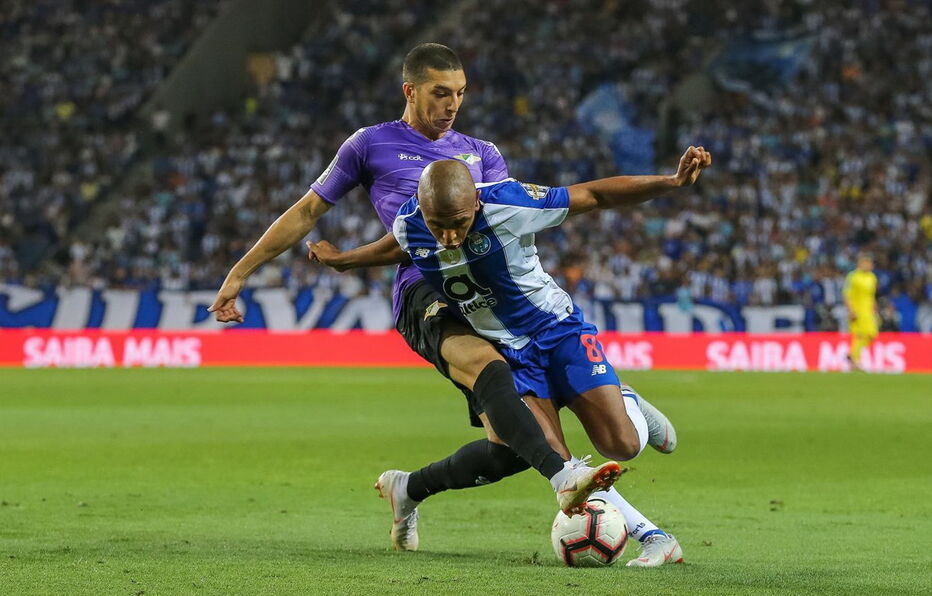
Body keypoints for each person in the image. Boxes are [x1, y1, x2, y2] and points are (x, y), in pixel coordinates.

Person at [208, 43, 622, 519]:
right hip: (423, 290)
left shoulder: (482, 154)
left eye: (461, 94)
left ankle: (409, 489)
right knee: (492, 372)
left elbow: (504, 229)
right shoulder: (370, 144)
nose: (452, 105)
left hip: (485, 299)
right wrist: (239, 273)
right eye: (440, 92)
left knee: (508, 449)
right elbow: (306, 211)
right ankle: (564, 477)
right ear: (410, 89)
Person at [308, 146, 712, 566]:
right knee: (556, 455)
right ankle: (652, 535)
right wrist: (344, 260)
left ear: (476, 203)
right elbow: (398, 246)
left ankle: (628, 402)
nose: (448, 236)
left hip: (558, 330)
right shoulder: (412, 222)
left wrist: (672, 182)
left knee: (622, 445)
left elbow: (595, 196)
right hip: (509, 351)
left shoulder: (509, 201)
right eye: (438, 225)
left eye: (459, 224)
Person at [844, 253, 879, 371]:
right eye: (868, 263)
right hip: (857, 311)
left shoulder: (872, 277)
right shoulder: (853, 277)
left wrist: (874, 307)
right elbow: (847, 295)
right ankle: (855, 359)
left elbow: (872, 295)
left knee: (872, 334)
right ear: (860, 264)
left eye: (871, 264)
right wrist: (851, 310)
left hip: (868, 310)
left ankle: (852, 356)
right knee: (859, 335)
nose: (870, 266)